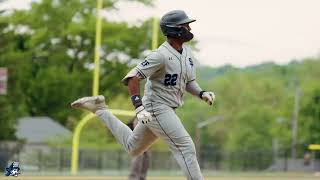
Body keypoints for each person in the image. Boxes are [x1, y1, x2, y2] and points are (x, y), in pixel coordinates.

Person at [71, 10, 215, 180]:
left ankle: (100, 109)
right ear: (174, 30)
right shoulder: (160, 55)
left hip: (167, 108)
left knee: (133, 147)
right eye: (185, 25)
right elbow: (132, 78)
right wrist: (139, 108)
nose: (189, 28)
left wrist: (201, 93)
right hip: (157, 107)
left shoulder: (187, 54)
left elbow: (189, 81)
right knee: (185, 146)